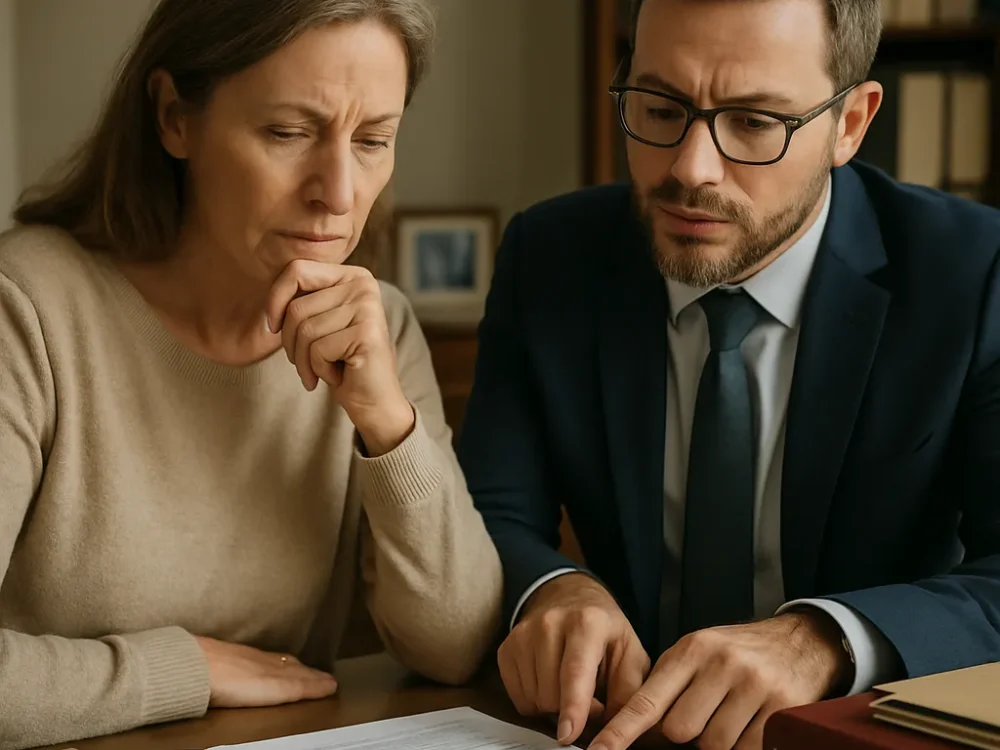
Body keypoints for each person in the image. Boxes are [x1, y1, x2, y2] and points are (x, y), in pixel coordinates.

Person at [457, 0, 1000, 749]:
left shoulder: (973, 274)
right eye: (660, 106)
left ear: (850, 123)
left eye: (753, 122)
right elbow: (489, 512)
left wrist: (823, 641)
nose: (690, 168)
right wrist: (553, 591)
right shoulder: (551, 257)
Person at [0, 1, 503, 748]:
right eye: (289, 132)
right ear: (174, 117)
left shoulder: (378, 328)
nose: (337, 193)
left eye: (373, 140)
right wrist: (182, 671)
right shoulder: (29, 309)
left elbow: (455, 645)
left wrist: (388, 422)